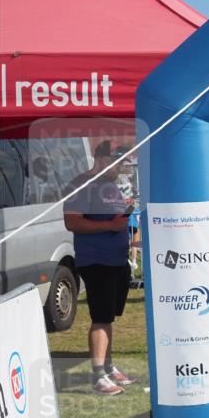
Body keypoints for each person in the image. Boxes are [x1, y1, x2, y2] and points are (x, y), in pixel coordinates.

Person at [63, 140, 137, 396]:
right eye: (117, 162)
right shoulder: (81, 184)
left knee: (108, 318)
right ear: (102, 158)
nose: (121, 167)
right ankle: (98, 377)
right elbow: (72, 222)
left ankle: (108, 366)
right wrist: (109, 226)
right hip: (96, 261)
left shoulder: (110, 186)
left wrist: (126, 215)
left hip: (117, 260)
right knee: (101, 318)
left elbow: (114, 218)